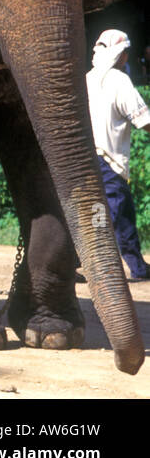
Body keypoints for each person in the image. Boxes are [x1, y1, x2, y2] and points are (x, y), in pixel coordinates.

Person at [85, 29, 150, 282]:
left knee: (123, 215)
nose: (126, 57)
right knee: (107, 217)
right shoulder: (119, 80)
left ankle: (138, 267)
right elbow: (142, 119)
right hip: (109, 161)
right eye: (125, 52)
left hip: (86, 160)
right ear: (120, 55)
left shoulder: (87, 78)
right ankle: (89, 265)